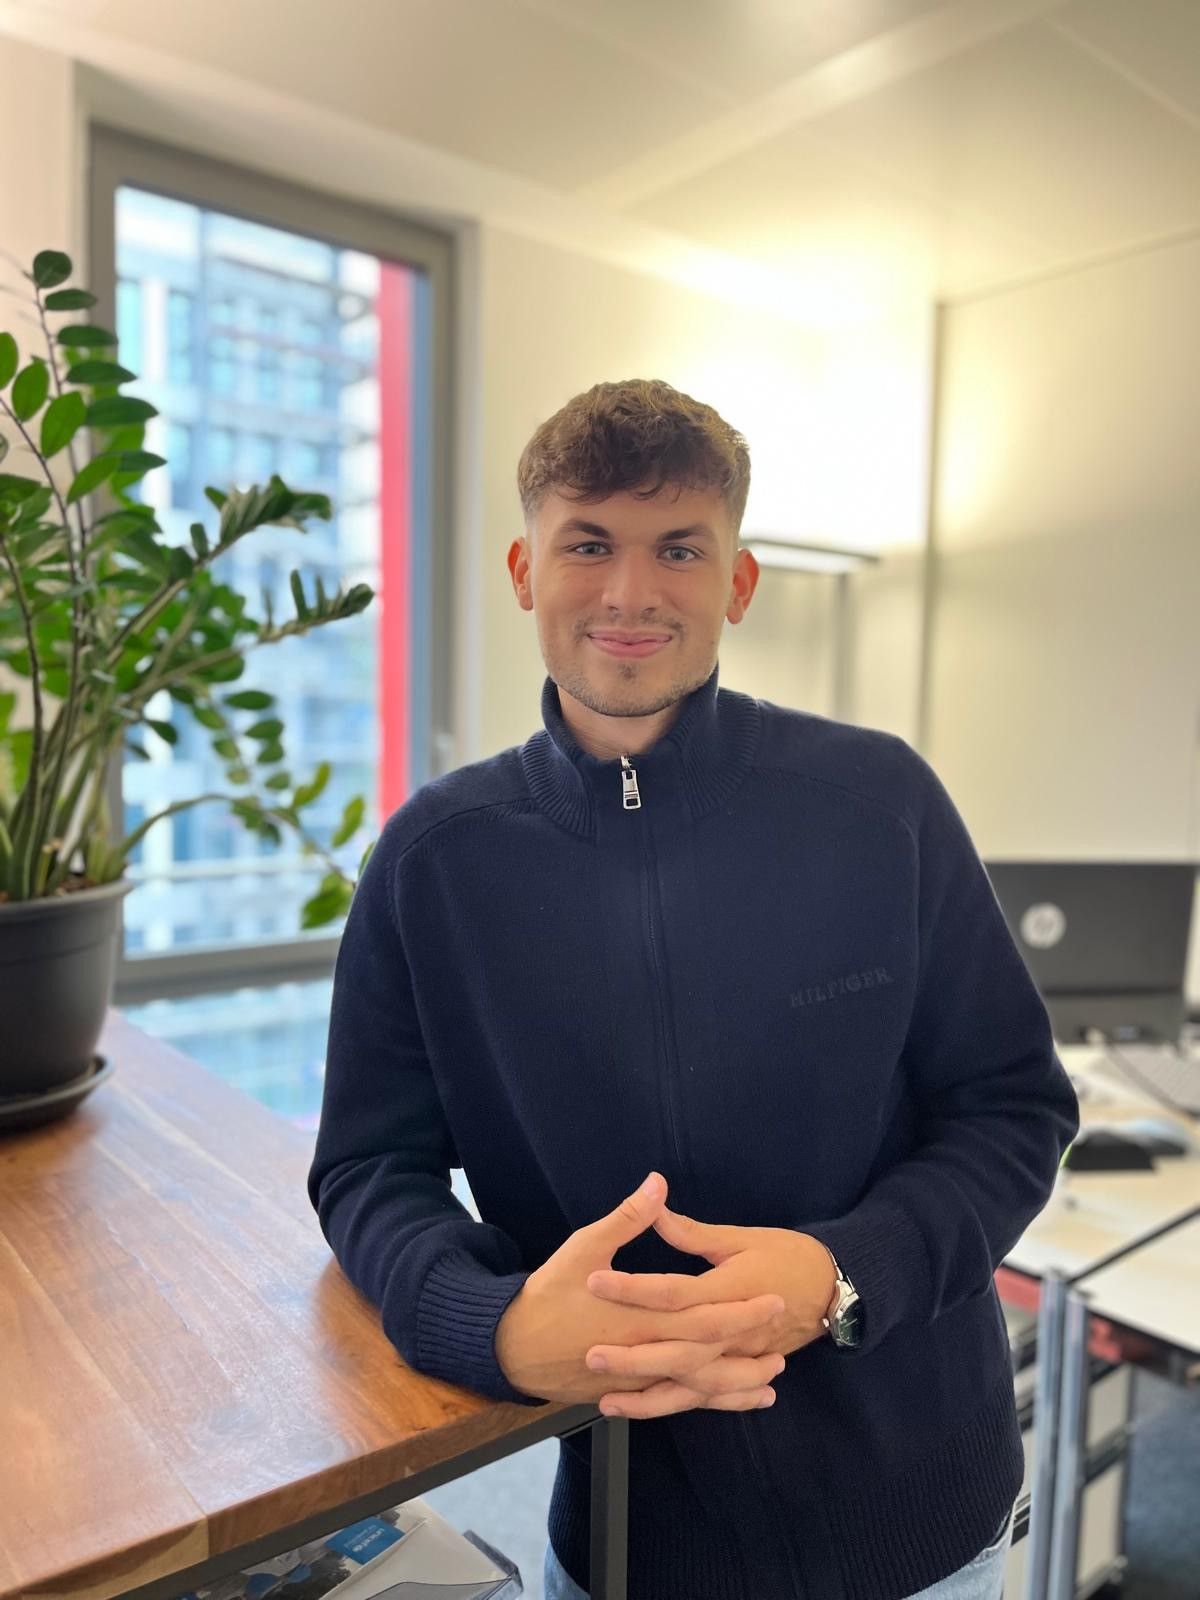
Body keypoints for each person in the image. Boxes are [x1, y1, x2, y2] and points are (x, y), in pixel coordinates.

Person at [308, 378, 1079, 1600]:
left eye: (678, 548)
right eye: (588, 544)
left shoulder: (879, 805)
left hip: (927, 1522)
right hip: (630, 1537)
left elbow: (1012, 1107)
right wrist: (489, 1324)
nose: (630, 592)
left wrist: (840, 1274)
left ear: (738, 580)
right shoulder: (431, 862)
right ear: (523, 568)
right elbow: (368, 1168)